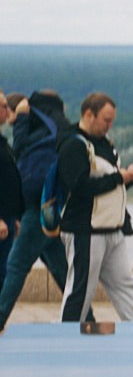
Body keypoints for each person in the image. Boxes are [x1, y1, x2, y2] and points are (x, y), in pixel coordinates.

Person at [58, 92, 133, 326]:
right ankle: (64, 340)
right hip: (85, 230)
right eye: (106, 120)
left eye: (112, 121)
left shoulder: (106, 145)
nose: (110, 125)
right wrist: (119, 177)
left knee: (126, 286)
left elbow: (109, 185)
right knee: (81, 291)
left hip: (113, 229)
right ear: (89, 114)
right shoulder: (72, 145)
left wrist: (128, 179)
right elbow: (79, 187)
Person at [0, 90, 72, 330]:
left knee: (16, 265)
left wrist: (20, 120)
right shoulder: (49, 132)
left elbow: (19, 149)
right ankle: (85, 317)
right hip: (48, 206)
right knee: (60, 266)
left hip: (35, 207)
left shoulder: (30, 132)